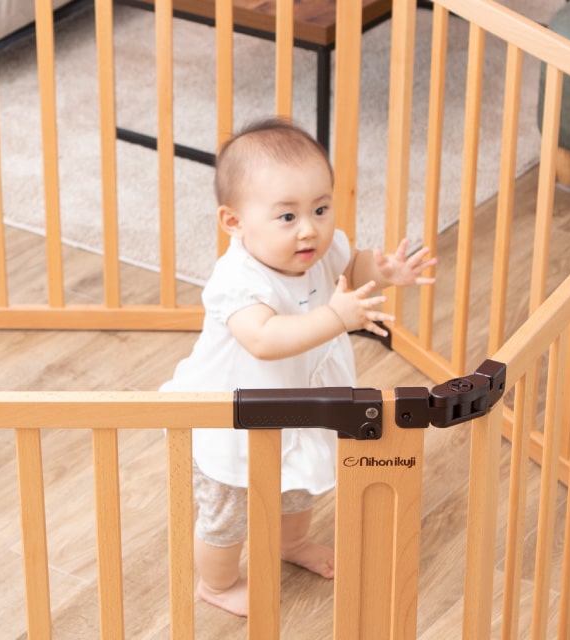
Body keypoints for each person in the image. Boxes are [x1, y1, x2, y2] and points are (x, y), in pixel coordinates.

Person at [159, 118, 437, 617]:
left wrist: (383, 272)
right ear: (234, 222)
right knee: (228, 517)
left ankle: (291, 545)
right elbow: (263, 340)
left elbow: (350, 270)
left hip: (298, 405)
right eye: (287, 217)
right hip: (234, 421)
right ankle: (217, 585)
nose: (310, 227)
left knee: (298, 487)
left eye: (321, 208)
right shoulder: (238, 282)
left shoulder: (321, 249)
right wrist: (335, 318)